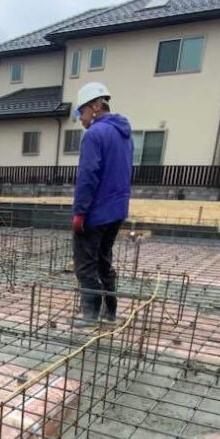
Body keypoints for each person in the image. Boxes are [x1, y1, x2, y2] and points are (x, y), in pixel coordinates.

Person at [70, 82, 133, 328]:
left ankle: (91, 314)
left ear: (95, 106)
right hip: (116, 211)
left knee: (86, 264)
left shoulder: (94, 135)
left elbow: (88, 176)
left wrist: (80, 212)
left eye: (81, 111)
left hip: (96, 212)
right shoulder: (123, 134)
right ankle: (110, 311)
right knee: (104, 260)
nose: (80, 118)